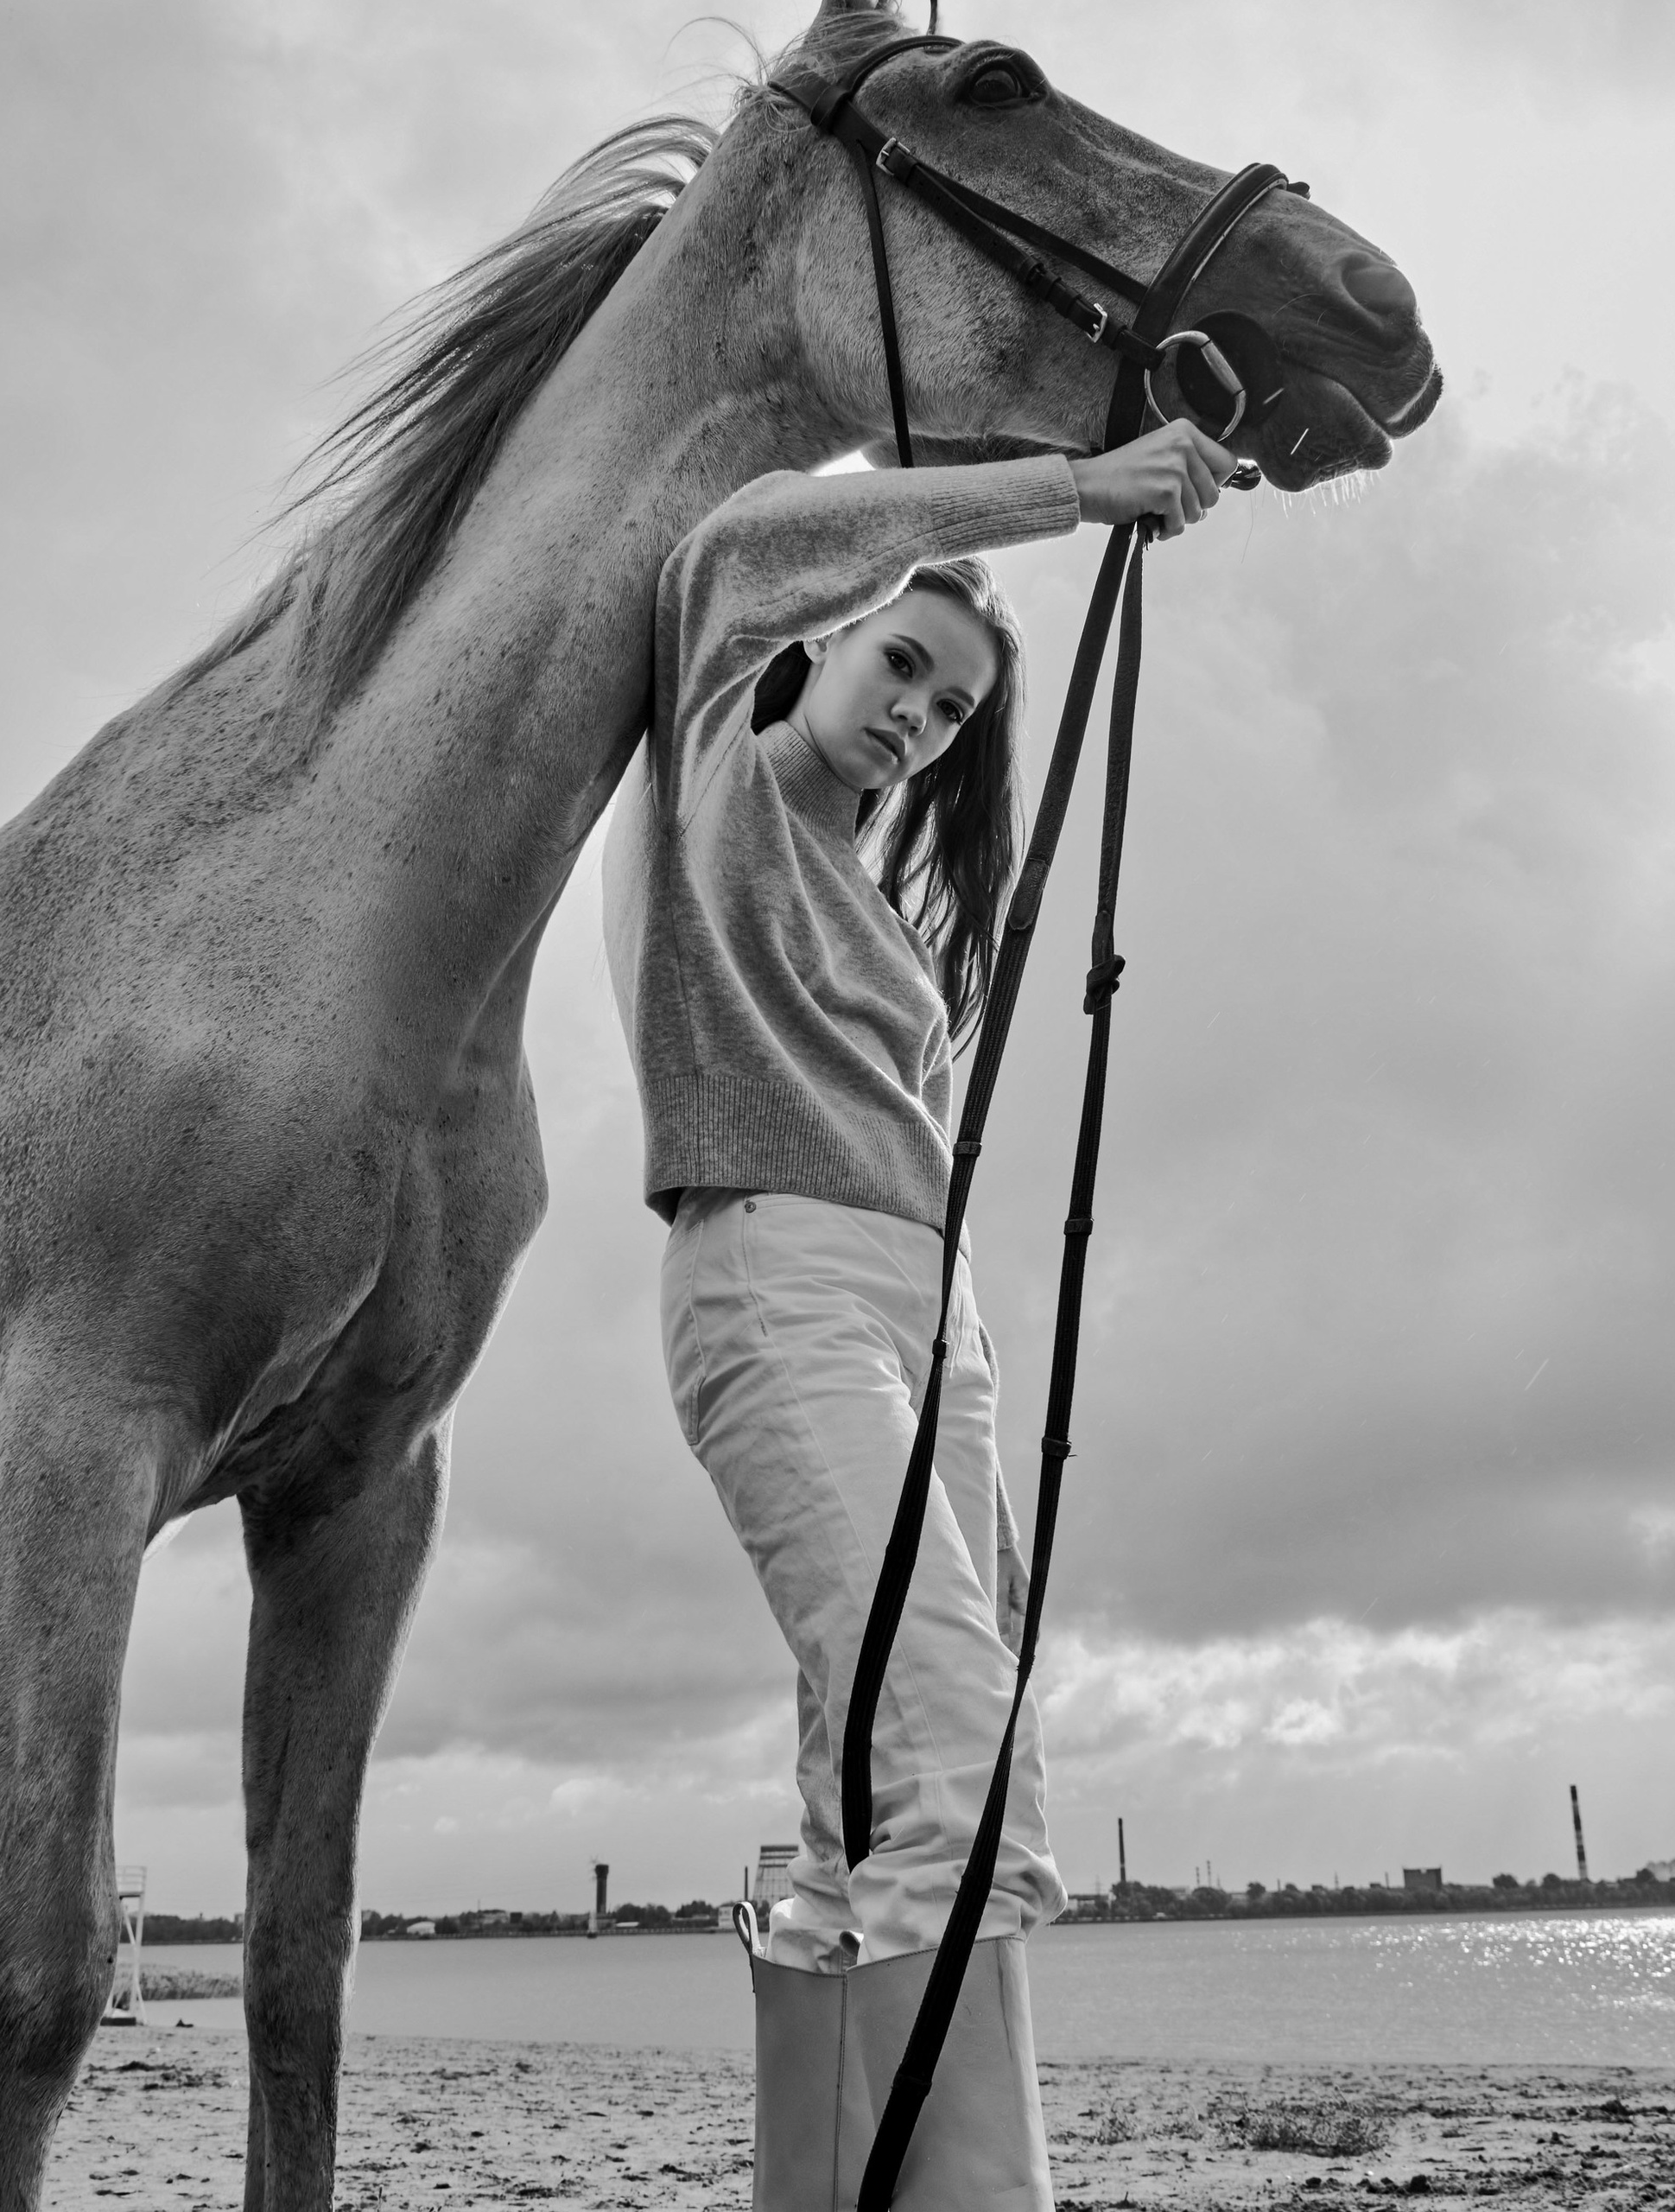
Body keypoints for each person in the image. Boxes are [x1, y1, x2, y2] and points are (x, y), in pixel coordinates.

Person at [601, 420, 1232, 2207]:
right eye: (901, 664)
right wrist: (1078, 488)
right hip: (777, 1274)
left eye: (950, 708)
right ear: (822, 636)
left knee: (887, 1786)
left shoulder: (872, 896)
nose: (914, 715)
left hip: (927, 1302)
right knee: (947, 1741)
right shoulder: (717, 747)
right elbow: (762, 527)